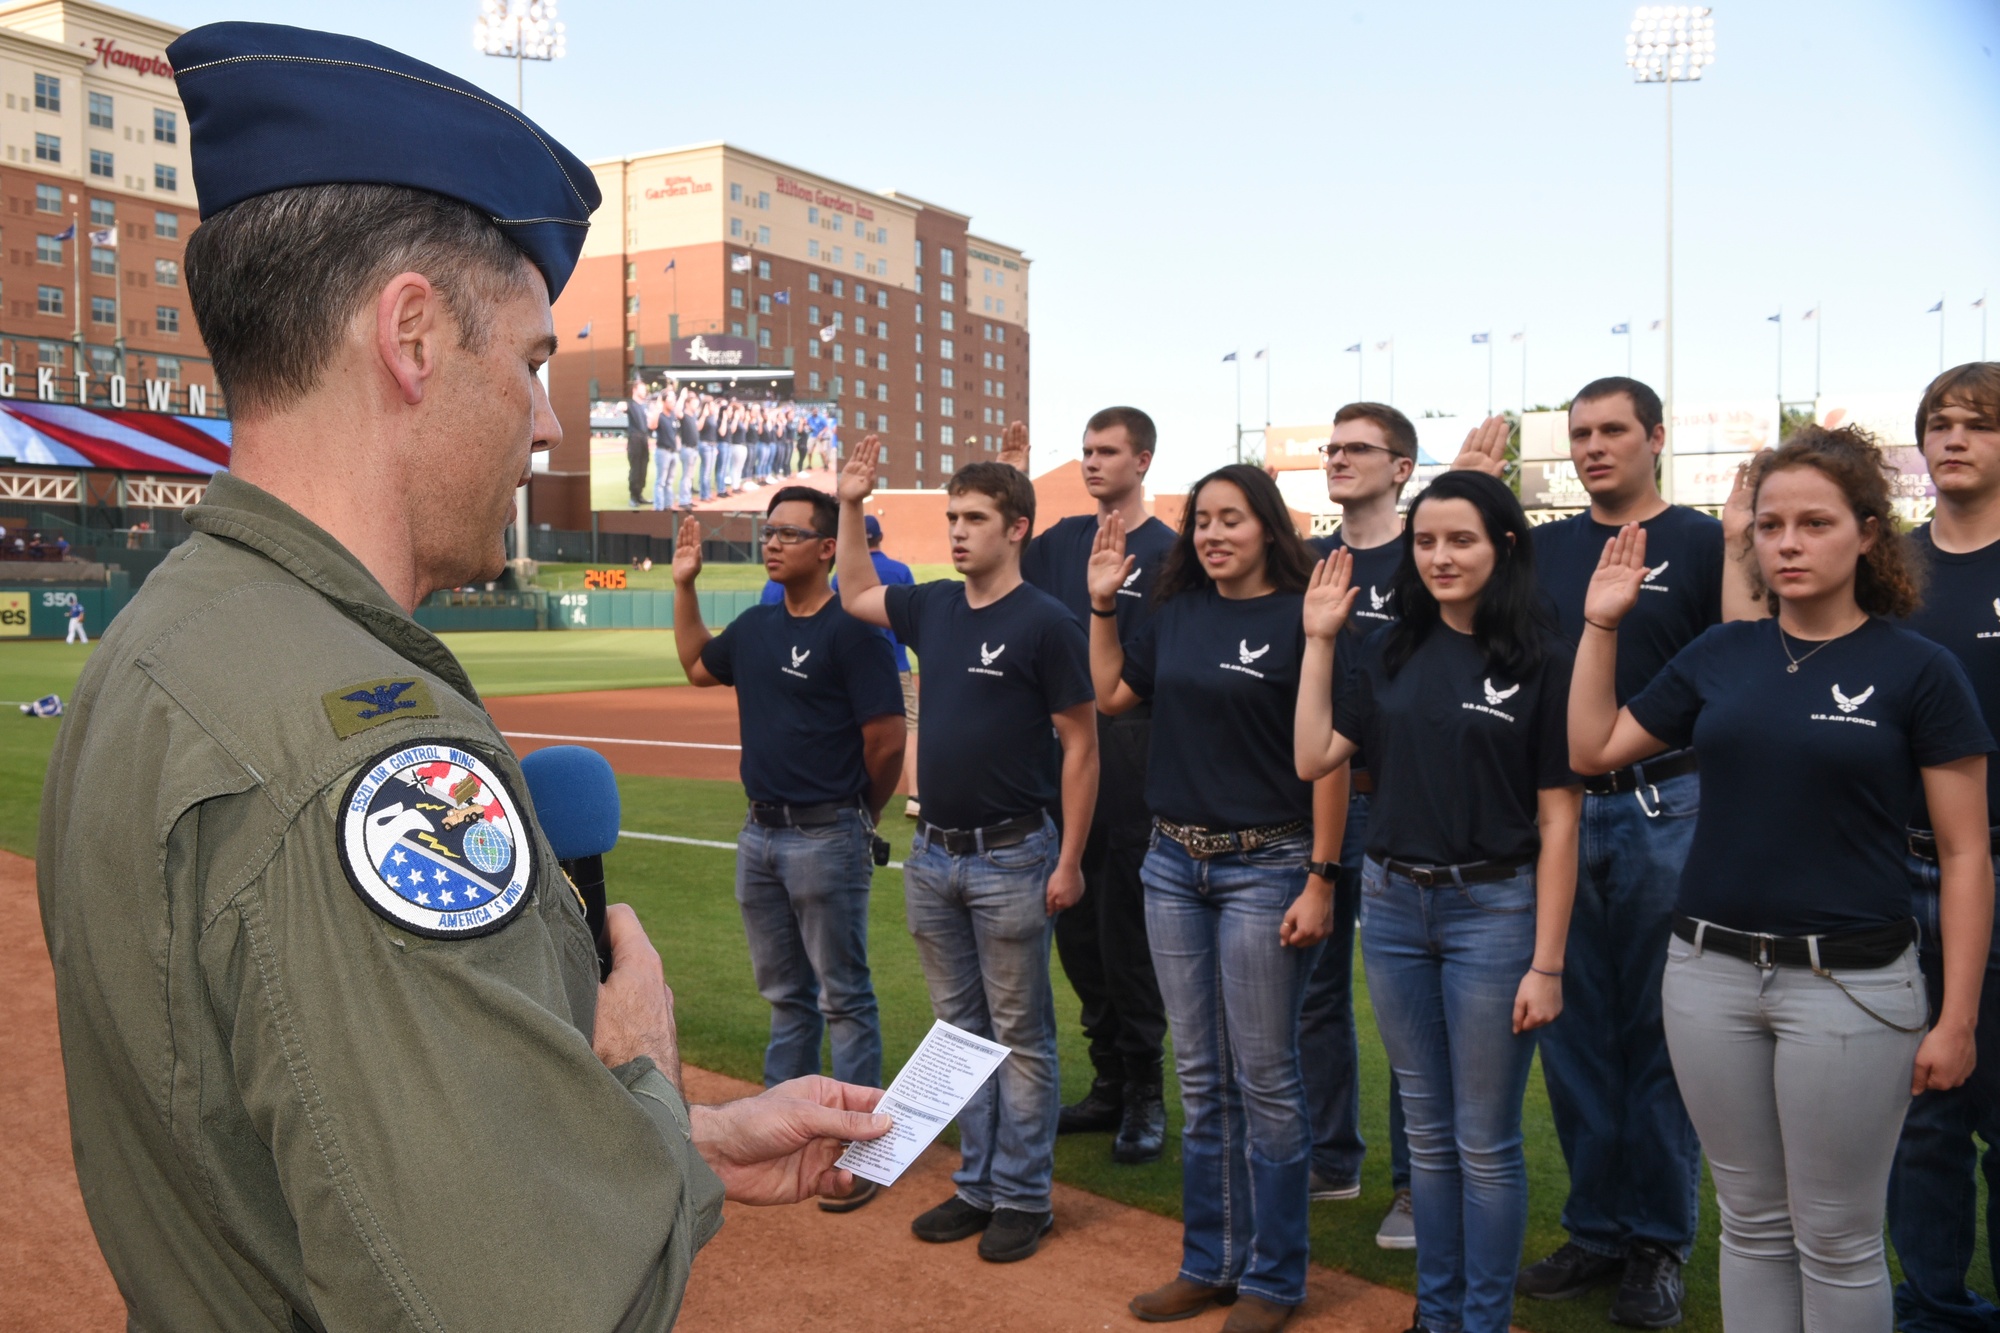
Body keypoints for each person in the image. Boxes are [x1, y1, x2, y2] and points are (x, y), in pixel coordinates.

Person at [36, 25, 891, 1331]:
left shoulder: (162, 639)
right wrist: (649, 1077)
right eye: (536, 362)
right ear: (416, 338)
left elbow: (324, 1145)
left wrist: (686, 1141)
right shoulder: (366, 757)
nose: (548, 424)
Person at [1570, 426, 1992, 1333]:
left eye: (1814, 522)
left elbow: (1963, 855)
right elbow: (1591, 748)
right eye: (1770, 526)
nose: (1789, 543)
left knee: (1838, 1237)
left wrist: (1956, 1017)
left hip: (1854, 982)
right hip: (1707, 974)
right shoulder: (1724, 652)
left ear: (1868, 533)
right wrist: (1603, 623)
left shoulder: (1919, 668)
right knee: (1753, 1226)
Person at [1295, 471, 1581, 1333]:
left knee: (1485, 1142)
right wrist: (1317, 642)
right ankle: (1439, 1310)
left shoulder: (1541, 657)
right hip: (1391, 907)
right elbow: (1314, 756)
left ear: (1505, 546)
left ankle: (1479, 1320)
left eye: (1461, 539)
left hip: (1495, 912)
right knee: (1427, 1139)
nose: (1440, 556)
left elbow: (1561, 822)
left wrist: (1549, 963)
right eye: (1426, 541)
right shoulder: (1386, 651)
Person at [1501, 377, 1734, 1322]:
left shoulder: (1705, 543)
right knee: (1573, 1032)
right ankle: (1597, 1228)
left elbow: (1739, 672)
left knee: (1661, 1035)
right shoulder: (1546, 548)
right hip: (1557, 810)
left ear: (1656, 437)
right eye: (1581, 434)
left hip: (1667, 806)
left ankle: (1657, 1242)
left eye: (1614, 431)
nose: (1596, 447)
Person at [1090, 465, 1340, 1333]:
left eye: (1230, 519)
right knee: (1202, 1077)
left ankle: (1275, 1279)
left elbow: (1331, 755)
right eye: (1201, 521)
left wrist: (1322, 875)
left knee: (1266, 1079)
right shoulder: (1176, 609)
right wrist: (1099, 607)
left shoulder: (1306, 615)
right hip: (1172, 863)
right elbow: (1114, 694)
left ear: (1268, 527)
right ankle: (1210, 1262)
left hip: (1267, 864)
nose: (1211, 534)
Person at [836, 442, 1098, 1265]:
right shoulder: (934, 606)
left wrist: (1071, 859)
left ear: (1016, 527)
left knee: (1020, 1035)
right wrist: (850, 504)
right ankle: (977, 1186)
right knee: (959, 1032)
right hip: (935, 854)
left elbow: (1083, 745)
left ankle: (1024, 1197)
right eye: (951, 517)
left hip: (1014, 856)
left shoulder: (1048, 623)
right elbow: (852, 594)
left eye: (974, 518)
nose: (957, 531)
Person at [669, 488, 905, 1213]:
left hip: (826, 831)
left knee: (845, 996)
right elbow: (697, 666)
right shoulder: (758, 626)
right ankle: (782, 1133)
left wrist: (854, 815)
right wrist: (684, 585)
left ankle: (865, 1146)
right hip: (759, 833)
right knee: (785, 996)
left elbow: (888, 737)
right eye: (767, 531)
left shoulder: (854, 630)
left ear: (828, 548)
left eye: (788, 533)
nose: (771, 542)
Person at [1002, 410, 1177, 1164]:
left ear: (1143, 458)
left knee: (1126, 935)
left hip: (1135, 763)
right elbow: (1003, 578)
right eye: (1085, 452)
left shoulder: (1171, 553)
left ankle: (1144, 1090)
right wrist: (1010, 479)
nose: (1092, 462)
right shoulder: (1064, 540)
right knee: (1074, 930)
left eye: (1107, 452)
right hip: (1058, 763)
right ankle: (1108, 1078)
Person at [1294, 401, 1442, 1248]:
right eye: (1333, 445)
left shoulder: (1427, 560)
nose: (1340, 458)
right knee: (1315, 990)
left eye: (1360, 448)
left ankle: (1416, 1183)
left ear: (1401, 468)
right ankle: (1330, 1156)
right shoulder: (1311, 563)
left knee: (1406, 1009)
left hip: (1401, 798)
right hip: (1319, 792)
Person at [1886, 363, 2000, 1333]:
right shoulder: (1888, 574)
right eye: (1937, 423)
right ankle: (1929, 1304)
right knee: (1919, 1116)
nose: (1952, 438)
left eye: (1975, 424)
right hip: (1897, 868)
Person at [627, 377, 654, 507]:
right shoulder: (630, 403)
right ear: (634, 390)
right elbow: (623, 406)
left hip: (643, 438)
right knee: (635, 468)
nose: (645, 391)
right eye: (642, 389)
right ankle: (633, 496)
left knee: (643, 468)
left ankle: (639, 495)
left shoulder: (642, 406)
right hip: (635, 439)